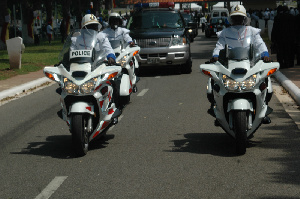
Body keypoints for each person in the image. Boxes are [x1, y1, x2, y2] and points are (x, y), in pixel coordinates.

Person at [211, 5, 272, 124]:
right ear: (231, 19)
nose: (238, 20)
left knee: (265, 80)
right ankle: (218, 109)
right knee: (214, 82)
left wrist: (265, 54)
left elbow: (260, 44)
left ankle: (263, 108)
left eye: (240, 17)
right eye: (235, 18)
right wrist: (215, 56)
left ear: (244, 19)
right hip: (229, 64)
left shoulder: (252, 31)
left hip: (250, 62)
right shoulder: (225, 32)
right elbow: (219, 46)